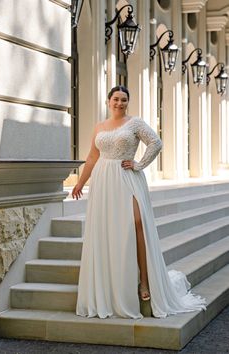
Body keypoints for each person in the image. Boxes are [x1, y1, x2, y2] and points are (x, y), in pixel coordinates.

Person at [72, 85, 206, 319]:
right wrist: (81, 182)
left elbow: (156, 143)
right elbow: (93, 157)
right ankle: (109, 285)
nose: (119, 103)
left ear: (127, 102)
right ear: (108, 101)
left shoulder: (135, 123)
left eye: (124, 100)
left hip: (127, 176)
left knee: (137, 224)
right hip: (103, 181)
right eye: (116, 99)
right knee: (106, 231)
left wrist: (139, 164)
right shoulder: (99, 127)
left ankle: (144, 281)